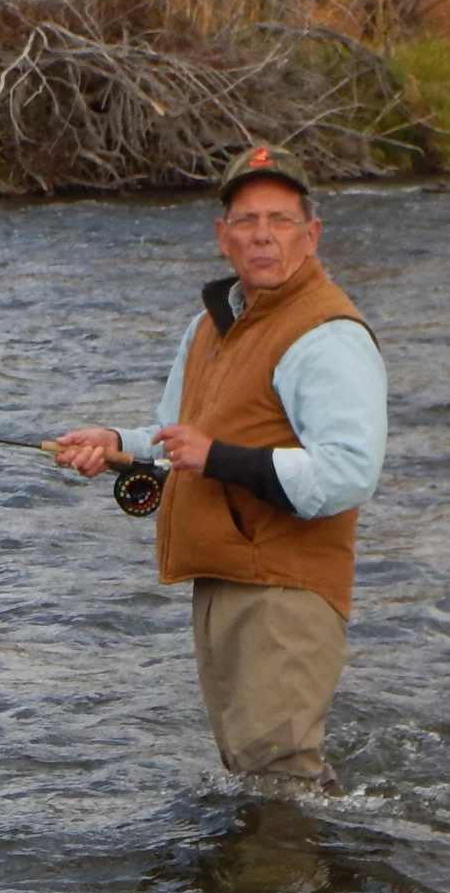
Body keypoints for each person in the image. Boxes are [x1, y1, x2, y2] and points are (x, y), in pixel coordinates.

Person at [54, 143, 386, 790]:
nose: (263, 235)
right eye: (246, 220)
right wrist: (115, 444)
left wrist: (219, 459)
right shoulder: (210, 326)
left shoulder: (329, 336)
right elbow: (173, 439)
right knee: (255, 777)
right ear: (222, 236)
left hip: (286, 594)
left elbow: (349, 472)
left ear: (312, 235)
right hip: (221, 583)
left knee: (279, 786)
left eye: (281, 219)